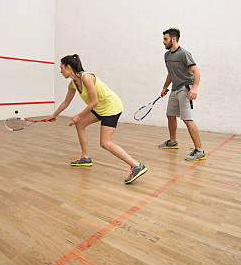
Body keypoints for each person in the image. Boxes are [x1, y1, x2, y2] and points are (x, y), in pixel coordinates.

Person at [50, 54, 148, 184]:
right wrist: (54, 115)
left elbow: (94, 101)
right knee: (80, 125)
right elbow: (66, 102)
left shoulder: (87, 78)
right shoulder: (73, 84)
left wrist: (78, 115)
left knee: (105, 143)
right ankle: (85, 158)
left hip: (111, 107)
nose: (60, 71)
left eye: (62, 68)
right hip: (100, 108)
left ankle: (136, 165)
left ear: (69, 67)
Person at [158, 28, 206, 161]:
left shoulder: (184, 54)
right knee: (170, 115)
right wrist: (165, 87)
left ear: (174, 39)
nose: (163, 42)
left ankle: (200, 150)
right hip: (175, 88)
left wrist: (194, 88)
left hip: (186, 88)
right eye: (163, 39)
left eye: (165, 39)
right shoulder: (167, 56)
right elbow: (170, 73)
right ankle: (172, 141)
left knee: (187, 119)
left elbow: (196, 72)